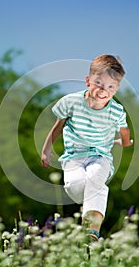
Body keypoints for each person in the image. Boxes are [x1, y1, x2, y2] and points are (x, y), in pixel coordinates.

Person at [41, 54, 133, 241]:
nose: (103, 90)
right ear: (88, 81)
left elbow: (124, 130)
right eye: (99, 83)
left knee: (95, 180)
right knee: (74, 187)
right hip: (73, 156)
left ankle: (92, 230)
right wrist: (46, 149)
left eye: (110, 87)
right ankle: (88, 205)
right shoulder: (71, 102)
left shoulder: (115, 110)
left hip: (101, 156)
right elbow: (59, 125)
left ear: (116, 89)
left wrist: (124, 142)